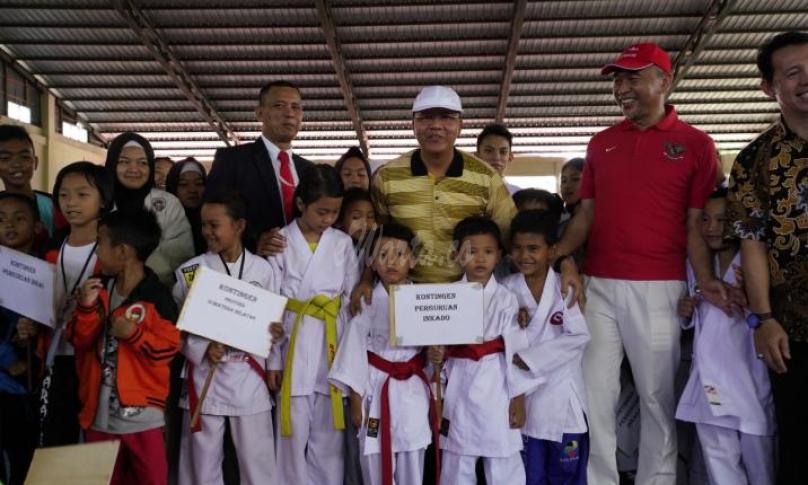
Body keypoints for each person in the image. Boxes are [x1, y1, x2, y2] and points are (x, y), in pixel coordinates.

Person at [552, 43, 721, 485]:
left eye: (632, 78)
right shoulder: (601, 143)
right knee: (595, 396)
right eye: (617, 80)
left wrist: (703, 283)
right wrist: (554, 256)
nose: (622, 88)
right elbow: (585, 215)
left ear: (664, 82)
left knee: (655, 399)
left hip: (660, 288)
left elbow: (696, 226)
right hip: (597, 286)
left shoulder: (697, 145)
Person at [726, 31, 808, 483]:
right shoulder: (755, 160)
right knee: (797, 443)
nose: (805, 80)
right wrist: (763, 318)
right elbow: (751, 242)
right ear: (769, 87)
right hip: (793, 329)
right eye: (792, 72)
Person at [67, 208, 180, 485]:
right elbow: (79, 340)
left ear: (123, 252)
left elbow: (168, 350)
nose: (96, 253)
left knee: (151, 480)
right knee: (103, 481)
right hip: (98, 416)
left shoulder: (157, 298)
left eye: (101, 244)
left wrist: (135, 334)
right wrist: (85, 307)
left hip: (144, 420)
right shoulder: (97, 289)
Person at [366, 86, 516, 288]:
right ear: (413, 124)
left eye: (446, 117)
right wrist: (367, 279)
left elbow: (510, 237)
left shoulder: (486, 178)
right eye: (426, 117)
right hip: (406, 294)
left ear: (460, 125)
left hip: (468, 293)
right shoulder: (388, 177)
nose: (436, 125)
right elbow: (378, 239)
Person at [173, 192, 277, 485]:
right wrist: (202, 347)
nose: (207, 232)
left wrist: (273, 360)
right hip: (206, 374)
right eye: (204, 225)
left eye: (214, 225)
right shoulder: (190, 272)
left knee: (256, 458)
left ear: (239, 226)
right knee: (202, 462)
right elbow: (175, 330)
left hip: (249, 374)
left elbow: (273, 323)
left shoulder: (263, 270)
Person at [266, 164, 358, 485]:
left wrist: (348, 358)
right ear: (301, 203)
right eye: (321, 211)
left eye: (334, 212)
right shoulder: (280, 241)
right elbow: (272, 304)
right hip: (293, 339)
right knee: (290, 433)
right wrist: (273, 360)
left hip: (331, 341)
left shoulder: (342, 243)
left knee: (330, 436)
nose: (328, 219)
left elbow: (349, 298)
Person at [676, 187, 775, 484]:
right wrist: (686, 311)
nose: (711, 228)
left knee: (761, 468)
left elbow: (770, 320)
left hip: (750, 378)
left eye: (721, 220)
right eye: (705, 220)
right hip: (709, 381)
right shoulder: (697, 267)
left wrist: (752, 301)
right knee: (720, 469)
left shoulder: (756, 264)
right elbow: (694, 322)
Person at [329, 223, 437, 485]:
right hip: (375, 389)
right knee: (374, 457)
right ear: (372, 264)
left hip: (411, 388)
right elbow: (353, 351)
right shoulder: (367, 300)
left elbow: (433, 351)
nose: (391, 262)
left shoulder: (423, 300)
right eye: (383, 255)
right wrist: (355, 398)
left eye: (400, 254)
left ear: (412, 261)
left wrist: (436, 356)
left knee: (413, 455)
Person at [16, 162, 114, 447]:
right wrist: (29, 324)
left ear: (104, 200)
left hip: (95, 360)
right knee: (56, 438)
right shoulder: (49, 249)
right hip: (54, 358)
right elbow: (37, 303)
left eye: (82, 195)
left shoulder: (113, 251)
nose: (71, 203)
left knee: (92, 442)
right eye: (63, 195)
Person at [428, 216, 526, 485]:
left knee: (502, 458)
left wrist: (518, 398)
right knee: (457, 459)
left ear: (499, 257)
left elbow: (517, 352)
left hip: (497, 386)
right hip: (459, 384)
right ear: (456, 255)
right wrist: (435, 359)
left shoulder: (507, 300)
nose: (480, 259)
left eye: (488, 252)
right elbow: (437, 347)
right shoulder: (447, 296)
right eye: (471, 252)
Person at [503, 210, 590, 485]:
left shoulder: (565, 287)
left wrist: (530, 358)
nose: (524, 256)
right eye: (517, 248)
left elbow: (578, 336)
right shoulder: (506, 290)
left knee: (566, 475)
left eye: (533, 249)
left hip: (563, 401)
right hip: (523, 400)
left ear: (552, 251)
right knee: (529, 476)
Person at [206, 81, 313, 256]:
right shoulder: (232, 160)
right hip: (250, 270)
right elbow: (212, 218)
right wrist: (252, 243)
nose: (289, 113)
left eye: (296, 107)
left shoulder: (309, 170)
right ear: (260, 113)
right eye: (279, 105)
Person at [104, 132, 194, 285]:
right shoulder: (101, 200)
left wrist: (135, 273)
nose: (134, 169)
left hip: (155, 290)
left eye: (142, 163)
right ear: (113, 164)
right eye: (124, 162)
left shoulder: (168, 203)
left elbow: (180, 250)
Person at [0, 193, 43, 485]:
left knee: (32, 465)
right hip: (4, 386)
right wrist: (8, 358)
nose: (9, 225)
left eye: (19, 217)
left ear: (38, 226)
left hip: (38, 388)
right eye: (0, 219)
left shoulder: (48, 270)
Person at [0, 124, 63, 238]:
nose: (16, 164)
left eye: (24, 157)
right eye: (5, 158)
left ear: (36, 162)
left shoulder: (54, 206)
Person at [165, 157, 207, 255]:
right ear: (173, 188)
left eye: (199, 183)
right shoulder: (162, 223)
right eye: (183, 184)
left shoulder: (212, 222)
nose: (192, 190)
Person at [475, 123, 520, 194]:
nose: (496, 157)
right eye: (489, 151)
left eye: (503, 152)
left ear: (510, 157)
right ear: (477, 156)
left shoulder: (517, 195)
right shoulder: (462, 193)